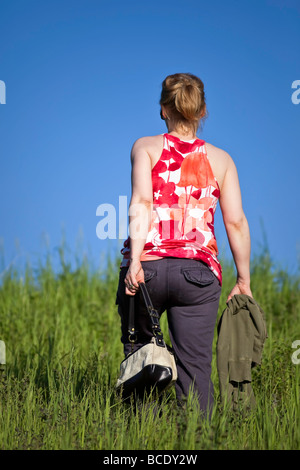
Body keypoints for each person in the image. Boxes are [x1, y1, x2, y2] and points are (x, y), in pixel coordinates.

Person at [115, 72, 252, 415]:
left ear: (164, 109)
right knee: (195, 371)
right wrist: (243, 280)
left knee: (141, 363)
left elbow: (142, 203)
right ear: (202, 110)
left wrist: (135, 263)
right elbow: (235, 222)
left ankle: (138, 437)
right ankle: (196, 440)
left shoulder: (144, 147)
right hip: (199, 275)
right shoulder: (222, 161)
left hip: (148, 270)